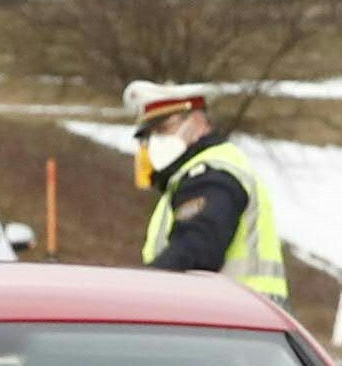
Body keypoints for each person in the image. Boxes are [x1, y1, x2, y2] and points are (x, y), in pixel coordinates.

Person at [123, 81, 289, 306]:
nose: (155, 141)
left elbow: (196, 249)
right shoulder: (189, 176)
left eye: (163, 129)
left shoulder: (211, 175)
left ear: (198, 121)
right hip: (239, 318)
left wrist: (139, 292)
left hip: (234, 318)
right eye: (150, 134)